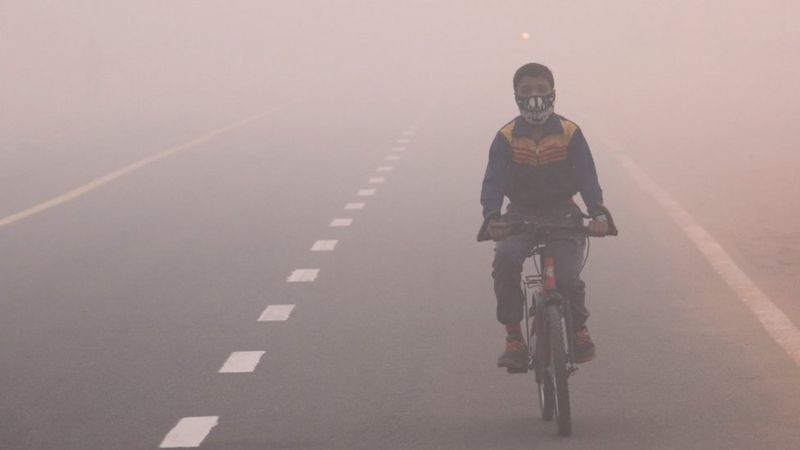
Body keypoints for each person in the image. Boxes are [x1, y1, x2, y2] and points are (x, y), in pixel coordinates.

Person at [478, 62, 612, 372]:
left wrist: (597, 211)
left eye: (541, 89)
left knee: (567, 278)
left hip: (564, 213)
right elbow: (493, 182)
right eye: (526, 91)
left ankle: (579, 331)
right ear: (516, 97)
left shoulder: (569, 133)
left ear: (553, 93)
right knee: (506, 260)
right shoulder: (506, 137)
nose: (535, 97)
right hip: (519, 216)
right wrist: (492, 217)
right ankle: (514, 337)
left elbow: (588, 178)